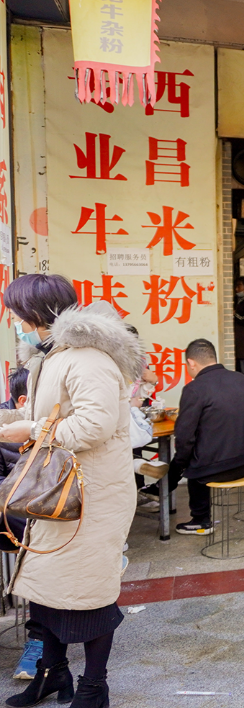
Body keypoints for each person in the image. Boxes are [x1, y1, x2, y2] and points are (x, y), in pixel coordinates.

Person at [0, 275, 143, 708]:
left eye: (15, 312)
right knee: (47, 590)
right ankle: (52, 673)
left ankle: (93, 687)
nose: (12, 319)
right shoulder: (53, 357)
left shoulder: (87, 358)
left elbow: (94, 426)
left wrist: (33, 429)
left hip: (92, 496)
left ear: (32, 314)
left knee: (89, 593)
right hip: (61, 492)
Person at [164, 339, 244, 535]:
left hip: (216, 470)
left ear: (191, 363)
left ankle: (200, 520)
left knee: (187, 460)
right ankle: (163, 488)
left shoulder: (194, 388)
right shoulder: (242, 379)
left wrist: (181, 464)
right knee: (197, 452)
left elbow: (184, 437)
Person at [0, 368, 45, 684]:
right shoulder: (6, 424)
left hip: (40, 517)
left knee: (40, 547)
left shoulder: (57, 425)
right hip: (8, 512)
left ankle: (39, 638)